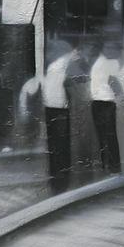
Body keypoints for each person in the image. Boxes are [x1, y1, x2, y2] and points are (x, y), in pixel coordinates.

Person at [41, 39, 78, 193]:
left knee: (55, 148)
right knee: (61, 148)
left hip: (51, 110)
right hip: (60, 111)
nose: (76, 54)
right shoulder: (63, 66)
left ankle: (57, 183)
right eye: (73, 51)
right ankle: (61, 184)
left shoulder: (53, 66)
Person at [89, 41, 124, 175]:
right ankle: (109, 167)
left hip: (103, 103)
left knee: (107, 136)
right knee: (106, 136)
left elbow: (113, 81)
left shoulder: (105, 62)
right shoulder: (105, 62)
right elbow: (114, 81)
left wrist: (120, 97)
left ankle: (110, 166)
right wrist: (121, 97)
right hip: (101, 103)